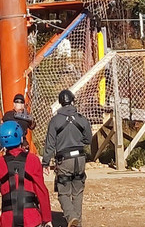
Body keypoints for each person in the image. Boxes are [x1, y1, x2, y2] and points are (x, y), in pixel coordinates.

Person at [0, 120, 52, 227]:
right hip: (31, 218)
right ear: (21, 138)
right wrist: (47, 219)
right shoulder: (33, 160)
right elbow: (41, 190)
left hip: (8, 219)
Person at [41, 89, 92, 227]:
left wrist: (45, 162)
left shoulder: (55, 121)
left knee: (63, 193)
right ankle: (77, 223)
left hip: (64, 160)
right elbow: (88, 139)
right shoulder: (81, 118)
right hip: (80, 159)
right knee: (78, 192)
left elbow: (50, 144)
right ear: (72, 101)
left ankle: (71, 217)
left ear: (60, 102)